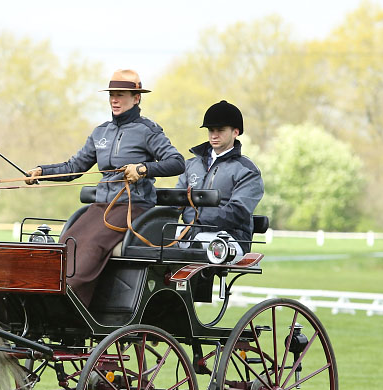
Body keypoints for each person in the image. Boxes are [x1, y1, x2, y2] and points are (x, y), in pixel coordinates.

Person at [26, 68, 184, 305]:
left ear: (137, 98)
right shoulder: (101, 132)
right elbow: (75, 166)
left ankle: (73, 301)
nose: (114, 99)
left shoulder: (147, 131)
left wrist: (143, 169)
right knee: (67, 241)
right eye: (112, 94)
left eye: (121, 94)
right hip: (102, 206)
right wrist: (42, 172)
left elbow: (177, 162)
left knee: (91, 246)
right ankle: (51, 296)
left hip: (133, 207)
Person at [174, 100, 264, 250]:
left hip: (231, 237)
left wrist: (200, 225)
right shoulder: (190, 165)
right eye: (211, 130)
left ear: (236, 132)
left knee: (196, 244)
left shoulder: (247, 170)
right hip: (190, 232)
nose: (214, 135)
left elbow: (238, 211)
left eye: (220, 130)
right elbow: (176, 200)